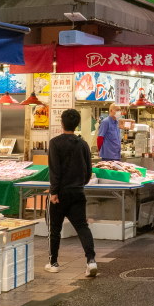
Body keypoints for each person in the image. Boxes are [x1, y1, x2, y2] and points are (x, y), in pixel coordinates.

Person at [46, 108, 98, 277]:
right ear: (77, 124)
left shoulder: (54, 143)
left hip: (60, 194)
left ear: (62, 123)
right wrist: (80, 183)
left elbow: (55, 170)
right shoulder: (82, 144)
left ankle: (53, 262)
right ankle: (91, 260)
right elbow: (88, 171)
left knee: (55, 228)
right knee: (82, 227)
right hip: (77, 192)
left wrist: (54, 192)